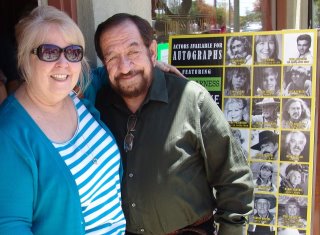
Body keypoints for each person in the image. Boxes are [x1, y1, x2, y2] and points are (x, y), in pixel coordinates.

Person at [94, 13, 254, 235]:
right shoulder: (97, 108)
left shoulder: (191, 99)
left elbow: (234, 178)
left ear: (151, 51)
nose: (125, 67)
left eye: (133, 51)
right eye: (112, 57)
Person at [0, 6, 126, 234]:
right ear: (26, 59)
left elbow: (103, 74)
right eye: (49, 52)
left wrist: (149, 64)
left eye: (73, 52)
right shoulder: (10, 134)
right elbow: (10, 225)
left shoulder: (76, 95)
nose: (63, 63)